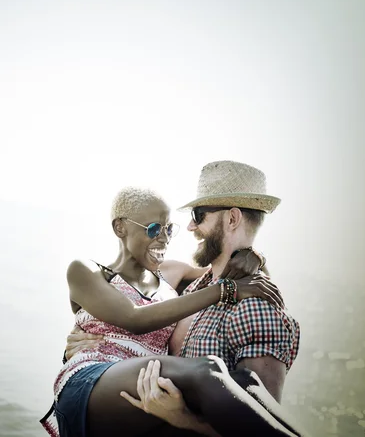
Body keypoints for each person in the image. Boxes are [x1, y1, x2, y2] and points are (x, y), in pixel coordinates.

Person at [40, 181, 305, 437]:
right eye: (154, 228)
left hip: (147, 394)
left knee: (244, 384)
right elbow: (134, 318)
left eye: (169, 229)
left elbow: (231, 272)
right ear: (120, 227)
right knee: (207, 371)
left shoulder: (172, 275)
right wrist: (225, 292)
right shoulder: (87, 271)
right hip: (92, 385)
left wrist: (254, 256)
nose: (164, 238)